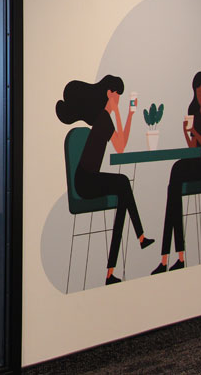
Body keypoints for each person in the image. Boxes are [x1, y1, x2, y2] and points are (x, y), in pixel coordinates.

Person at [56, 74, 154, 285]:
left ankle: (112, 270)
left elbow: (120, 144)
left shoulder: (103, 118)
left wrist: (128, 114)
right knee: (123, 184)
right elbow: (120, 145)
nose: (119, 98)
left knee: (123, 193)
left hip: (90, 178)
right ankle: (140, 237)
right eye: (118, 95)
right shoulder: (103, 118)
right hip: (85, 182)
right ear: (110, 94)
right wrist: (121, 113)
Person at [152, 72, 201, 275]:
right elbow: (192, 147)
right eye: (196, 92)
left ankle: (168, 258)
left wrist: (195, 131)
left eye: (200, 92)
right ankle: (176, 256)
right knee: (174, 188)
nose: (198, 96)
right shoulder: (193, 110)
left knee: (174, 188)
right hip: (193, 162)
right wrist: (185, 131)